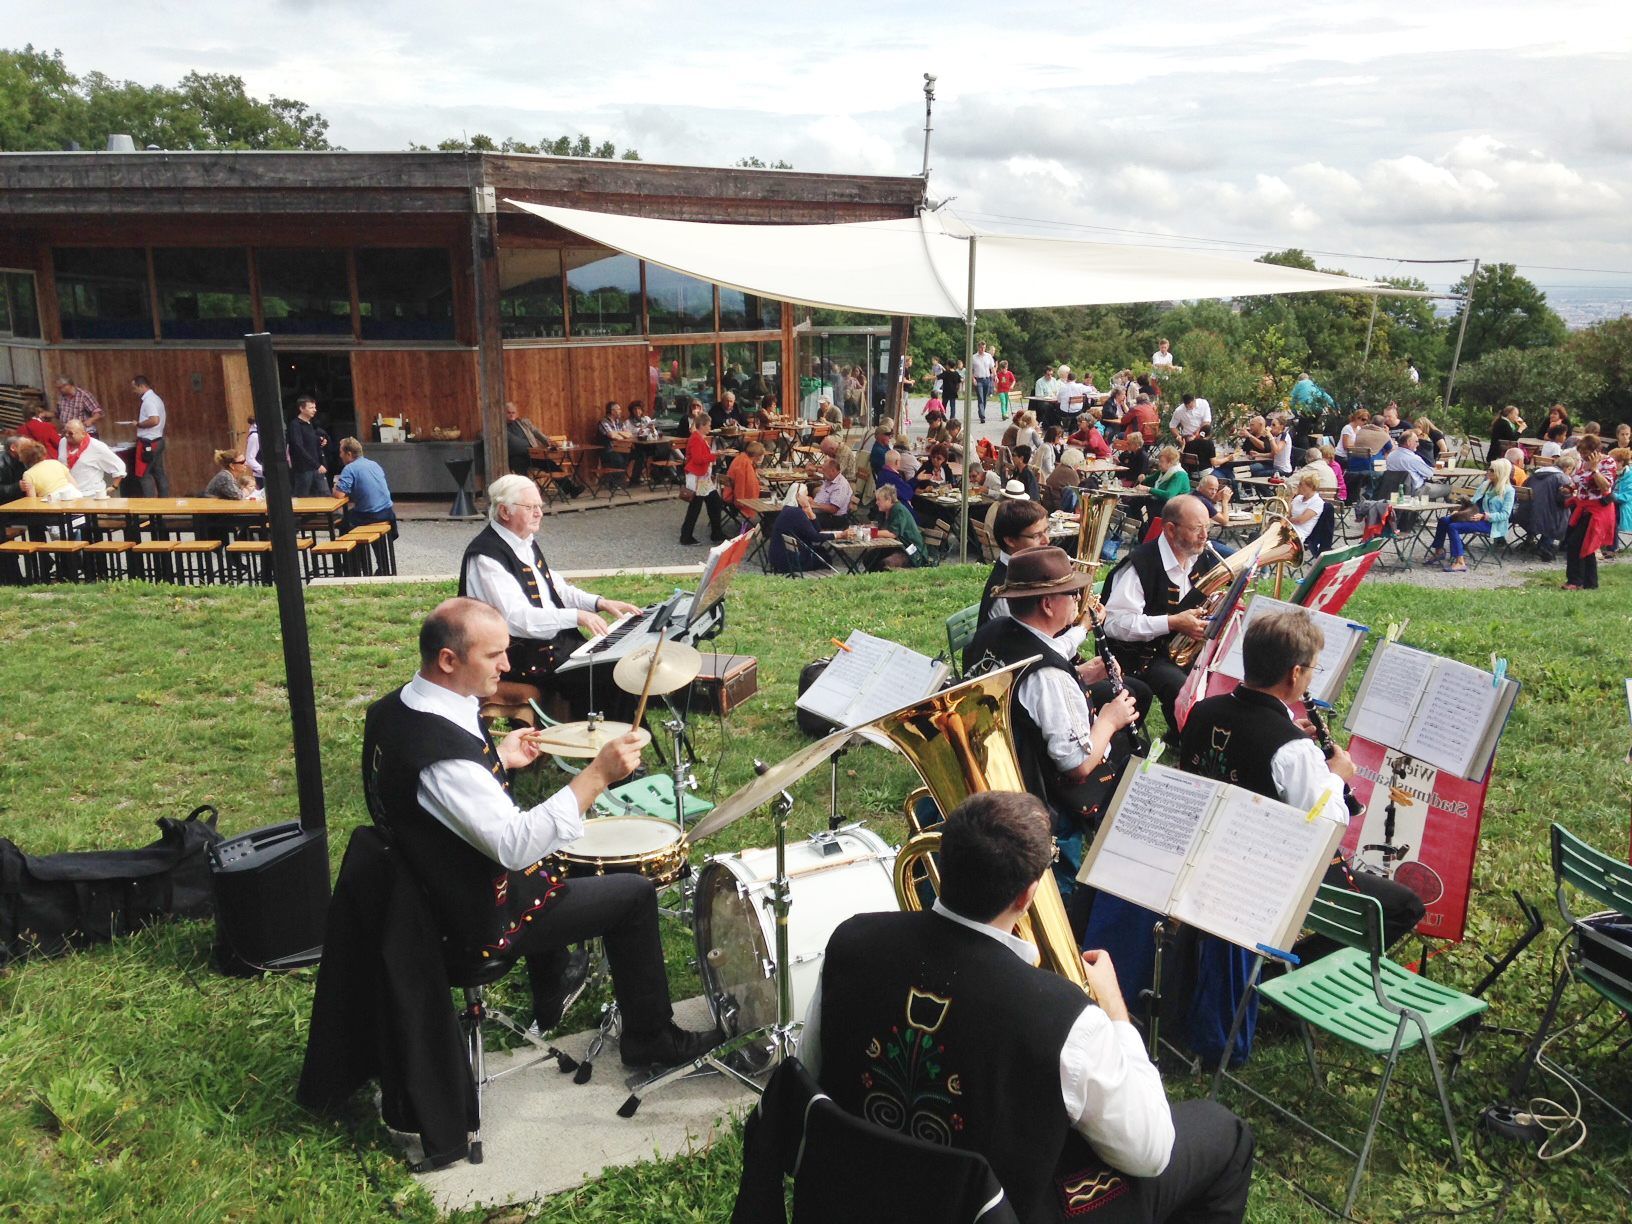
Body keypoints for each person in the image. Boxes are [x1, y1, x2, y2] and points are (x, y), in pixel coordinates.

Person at [800, 790, 1254, 1224]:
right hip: (996, 1212)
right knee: (1224, 1133)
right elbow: (1151, 1153)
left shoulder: (851, 940)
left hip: (854, 1196)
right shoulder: (1067, 1020)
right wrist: (1116, 1015)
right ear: (1027, 895)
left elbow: (809, 1075)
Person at [364, 598, 719, 1064]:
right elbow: (513, 846)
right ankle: (651, 1039)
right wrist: (596, 776)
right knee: (633, 895)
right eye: (494, 656)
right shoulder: (444, 756)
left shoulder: (398, 707)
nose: (508, 666)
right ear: (448, 660)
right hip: (468, 914)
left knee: (562, 846)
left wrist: (498, 758)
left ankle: (553, 981)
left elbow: (445, 799)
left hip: (430, 881)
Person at [1175, 610, 1424, 1056]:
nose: (1310, 678)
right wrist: (1337, 776)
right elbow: (1327, 826)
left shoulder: (1203, 710)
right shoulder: (1292, 749)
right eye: (1311, 670)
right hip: (1267, 875)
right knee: (1403, 906)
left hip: (1209, 854)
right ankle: (1281, 982)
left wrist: (1298, 746)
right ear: (1294, 674)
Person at [963, 548, 1144, 878]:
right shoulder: (1049, 679)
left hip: (991, 771)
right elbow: (1075, 765)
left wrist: (1084, 673)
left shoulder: (997, 630)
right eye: (1072, 593)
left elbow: (1036, 656)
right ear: (1047, 604)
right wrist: (1109, 719)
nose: (1078, 599)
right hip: (1040, 802)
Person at [459, 475, 641, 699]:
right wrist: (577, 616)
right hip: (520, 660)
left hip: (553, 647)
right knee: (610, 681)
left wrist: (598, 603)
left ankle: (632, 732)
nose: (539, 513)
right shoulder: (487, 557)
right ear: (505, 512)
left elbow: (554, 587)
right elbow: (517, 620)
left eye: (539, 506)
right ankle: (608, 732)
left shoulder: (523, 540)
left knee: (620, 667)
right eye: (530, 507)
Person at [1099, 496, 1217, 746]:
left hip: (1183, 649)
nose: (1205, 535)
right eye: (1197, 528)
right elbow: (1114, 624)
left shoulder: (1202, 558)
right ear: (1170, 529)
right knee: (1184, 689)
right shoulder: (1140, 566)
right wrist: (1172, 622)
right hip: (1141, 657)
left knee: (1223, 680)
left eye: (1208, 527)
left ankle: (1183, 736)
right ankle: (1191, 744)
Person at [1423, 458, 1512, 573]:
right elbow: (1472, 503)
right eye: (1489, 469)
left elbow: (1505, 515)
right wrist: (1459, 511)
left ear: (1500, 472)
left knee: (1453, 527)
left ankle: (1460, 562)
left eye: (1492, 470)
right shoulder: (1486, 485)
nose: (1488, 471)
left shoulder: (1508, 491)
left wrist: (1485, 516)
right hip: (1474, 517)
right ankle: (1439, 551)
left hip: (1491, 524)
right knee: (1444, 520)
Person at [335, 437, 398, 540]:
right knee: (350, 515)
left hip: (370, 515)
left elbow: (339, 495)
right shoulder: (374, 464)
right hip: (388, 512)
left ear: (349, 454)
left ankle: (352, 554)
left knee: (344, 524)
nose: (340, 456)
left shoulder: (349, 468)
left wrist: (335, 484)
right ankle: (379, 555)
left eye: (341, 452)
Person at [680, 410, 726, 545]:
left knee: (714, 502)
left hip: (702, 477)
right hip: (697, 477)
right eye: (708, 425)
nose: (710, 428)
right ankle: (686, 536)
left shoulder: (698, 437)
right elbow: (698, 458)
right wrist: (714, 456)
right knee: (696, 507)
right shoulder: (695, 438)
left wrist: (713, 454)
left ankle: (716, 533)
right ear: (702, 425)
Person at [767, 485, 828, 574]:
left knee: (821, 551)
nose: (808, 498)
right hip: (788, 562)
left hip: (778, 558)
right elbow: (815, 537)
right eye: (806, 495)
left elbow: (817, 530)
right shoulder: (796, 513)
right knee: (826, 558)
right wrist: (838, 535)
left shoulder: (788, 509)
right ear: (798, 496)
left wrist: (810, 512)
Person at [58, 418, 126, 497]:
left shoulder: (96, 446)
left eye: (70, 433)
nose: (66, 435)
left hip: (91, 494)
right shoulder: (63, 442)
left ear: (83, 433)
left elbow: (119, 465)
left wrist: (114, 486)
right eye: (64, 432)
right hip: (69, 494)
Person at [868, 484, 927, 569]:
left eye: (878, 500)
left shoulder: (898, 509)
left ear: (888, 499)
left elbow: (892, 533)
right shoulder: (885, 511)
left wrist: (871, 533)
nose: (876, 502)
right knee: (870, 557)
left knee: (886, 563)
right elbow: (880, 528)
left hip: (911, 551)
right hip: (896, 547)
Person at [130, 374, 168, 496]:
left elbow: (154, 420)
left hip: (148, 442)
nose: (134, 391)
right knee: (158, 473)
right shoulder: (156, 398)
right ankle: (165, 502)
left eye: (135, 388)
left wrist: (139, 424)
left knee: (143, 475)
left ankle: (149, 506)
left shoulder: (148, 401)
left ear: (142, 386)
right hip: (158, 439)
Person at [288, 396, 328, 497]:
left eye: (314, 407)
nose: (314, 410)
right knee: (303, 497)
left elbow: (311, 440)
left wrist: (321, 440)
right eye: (311, 407)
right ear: (301, 408)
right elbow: (298, 447)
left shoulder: (312, 423)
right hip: (304, 469)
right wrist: (316, 465)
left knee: (324, 495)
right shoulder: (295, 425)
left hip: (317, 466)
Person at [1141, 445, 1191, 518]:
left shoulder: (1179, 475)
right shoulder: (1163, 471)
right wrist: (1143, 478)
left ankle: (1151, 527)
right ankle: (1143, 527)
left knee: (1151, 505)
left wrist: (1148, 489)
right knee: (1136, 503)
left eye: (1161, 462)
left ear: (1170, 463)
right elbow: (1147, 481)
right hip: (1162, 504)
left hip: (1175, 509)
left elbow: (1169, 495)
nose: (1159, 464)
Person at [721, 439, 765, 519]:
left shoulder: (741, 458)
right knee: (771, 497)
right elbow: (741, 485)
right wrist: (740, 501)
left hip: (730, 491)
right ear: (756, 456)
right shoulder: (744, 464)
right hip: (737, 496)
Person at [811, 455, 853, 530]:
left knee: (804, 518)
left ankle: (804, 539)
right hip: (822, 512)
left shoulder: (840, 485)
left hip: (833, 518)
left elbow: (833, 509)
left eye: (824, 470)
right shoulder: (830, 479)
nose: (822, 472)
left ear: (833, 471)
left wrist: (814, 505)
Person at [1286, 474, 1325, 544]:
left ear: (1311, 487)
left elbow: (1300, 520)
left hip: (1298, 533)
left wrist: (1287, 520)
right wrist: (1290, 498)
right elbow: (1288, 513)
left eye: (1301, 484)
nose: (1298, 486)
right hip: (1288, 527)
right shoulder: (1298, 497)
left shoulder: (1317, 502)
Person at [971, 341, 996, 423]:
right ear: (978, 347)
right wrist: (973, 379)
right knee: (980, 398)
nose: (982, 349)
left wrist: (995, 376)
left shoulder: (988, 356)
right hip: (978, 380)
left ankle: (981, 411)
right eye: (981, 347)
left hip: (987, 379)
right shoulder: (973, 357)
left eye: (984, 348)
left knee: (985, 398)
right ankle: (982, 416)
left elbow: (992, 367)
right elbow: (970, 370)